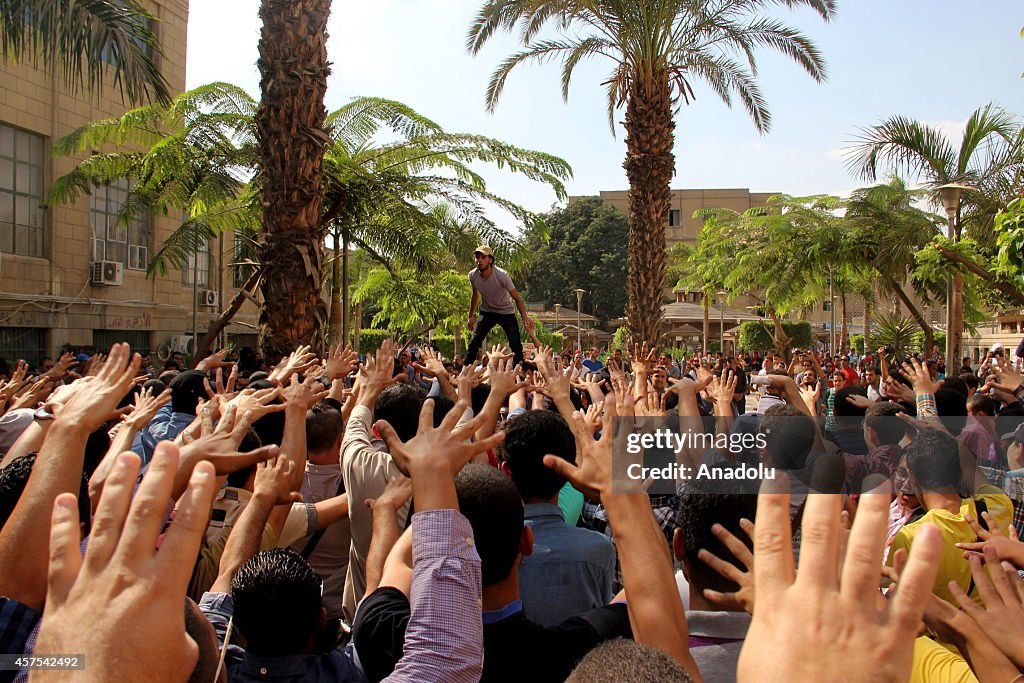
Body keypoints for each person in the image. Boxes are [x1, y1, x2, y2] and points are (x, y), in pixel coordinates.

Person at [465, 245, 534, 367]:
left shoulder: (502, 275)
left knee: (515, 343)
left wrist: (524, 317)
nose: (479, 260)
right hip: (487, 312)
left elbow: (517, 298)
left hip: (506, 312)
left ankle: (520, 370)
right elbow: (475, 295)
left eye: (483, 257)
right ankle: (465, 371)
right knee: (474, 341)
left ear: (490, 260)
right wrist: (470, 316)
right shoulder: (473, 275)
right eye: (477, 257)